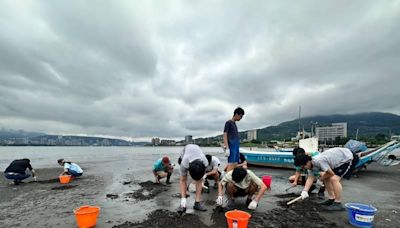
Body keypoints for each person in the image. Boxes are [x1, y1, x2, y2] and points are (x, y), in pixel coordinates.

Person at [294, 147, 359, 211]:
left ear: (308, 161)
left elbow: (331, 173)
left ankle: (338, 203)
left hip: (347, 158)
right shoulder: (310, 167)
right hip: (337, 161)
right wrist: (305, 191)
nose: (304, 168)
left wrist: (320, 179)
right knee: (326, 178)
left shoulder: (318, 161)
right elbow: (310, 178)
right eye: (302, 167)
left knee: (334, 179)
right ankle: (331, 199)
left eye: (303, 166)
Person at [177, 144, 209, 213]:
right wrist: (183, 200)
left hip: (197, 151)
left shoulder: (205, 162)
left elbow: (200, 178)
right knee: (183, 179)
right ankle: (183, 204)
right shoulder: (184, 163)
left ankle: (197, 203)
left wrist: (201, 179)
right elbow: (182, 180)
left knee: (199, 180)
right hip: (185, 151)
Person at [223, 107, 245, 172]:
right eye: (240, 116)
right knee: (230, 166)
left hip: (236, 147)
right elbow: (224, 135)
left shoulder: (235, 124)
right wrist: (227, 148)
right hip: (232, 147)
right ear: (236, 114)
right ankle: (226, 181)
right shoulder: (228, 122)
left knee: (235, 165)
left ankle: (232, 181)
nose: (241, 118)